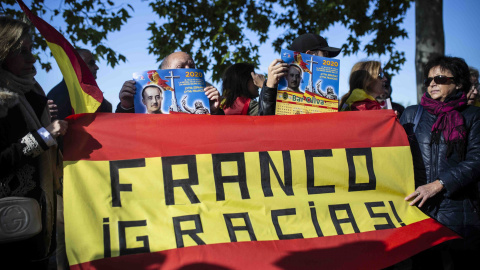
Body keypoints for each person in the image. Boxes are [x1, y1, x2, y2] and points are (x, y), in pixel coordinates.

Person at [0, 16, 67, 269]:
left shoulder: (31, 94)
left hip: (36, 226)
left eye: (31, 49)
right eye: (22, 51)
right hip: (10, 232)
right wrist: (43, 136)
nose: (33, 58)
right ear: (2, 52)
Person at [401, 56, 480, 268]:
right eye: (428, 80)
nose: (432, 84)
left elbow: (476, 160)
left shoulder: (473, 116)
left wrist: (438, 185)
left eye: (440, 78)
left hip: (459, 216)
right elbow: (395, 157)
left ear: (459, 83)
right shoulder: (412, 114)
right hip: (419, 212)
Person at [259, 33, 342, 115]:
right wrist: (269, 89)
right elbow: (264, 123)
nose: (328, 59)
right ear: (310, 55)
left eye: (298, 76)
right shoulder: (272, 88)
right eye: (325, 54)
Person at [116, 51, 221, 114]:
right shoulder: (143, 106)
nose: (188, 69)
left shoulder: (206, 93)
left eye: (191, 66)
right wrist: (126, 107)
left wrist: (215, 110)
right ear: (164, 71)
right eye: (180, 66)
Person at [47, 48, 112, 120]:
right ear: (76, 66)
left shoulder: (93, 94)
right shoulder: (58, 95)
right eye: (91, 63)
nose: (97, 67)